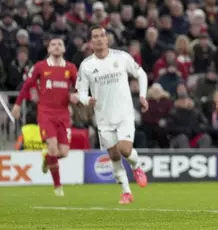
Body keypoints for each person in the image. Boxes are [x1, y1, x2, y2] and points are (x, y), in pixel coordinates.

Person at [76, 26, 149, 204]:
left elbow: (141, 74)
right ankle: (126, 192)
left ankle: (136, 166)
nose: (99, 39)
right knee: (114, 156)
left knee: (124, 149)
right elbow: (81, 92)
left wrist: (142, 96)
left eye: (102, 36)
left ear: (107, 39)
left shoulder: (121, 57)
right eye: (95, 37)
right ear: (91, 41)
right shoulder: (86, 65)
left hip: (124, 113)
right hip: (103, 117)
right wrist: (87, 101)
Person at [11, 38, 77, 196]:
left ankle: (48, 160)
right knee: (53, 146)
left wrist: (76, 96)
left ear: (64, 49)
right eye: (53, 44)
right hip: (46, 112)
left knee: (64, 152)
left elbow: (79, 87)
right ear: (48, 49)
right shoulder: (40, 66)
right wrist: (17, 104)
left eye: (60, 44)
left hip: (63, 113)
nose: (56, 47)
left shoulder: (71, 68)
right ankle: (58, 186)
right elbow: (27, 84)